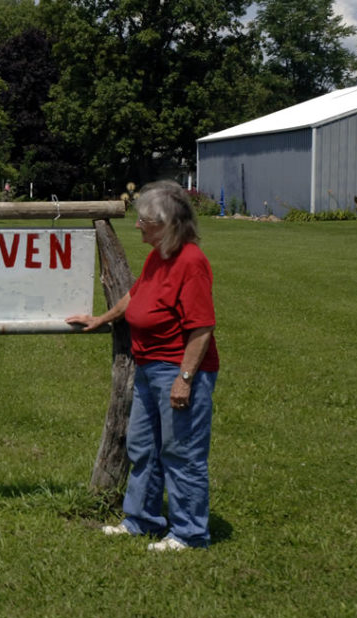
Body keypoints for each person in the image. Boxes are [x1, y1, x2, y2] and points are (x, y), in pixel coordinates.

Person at [67, 180, 219, 551]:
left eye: (145, 221)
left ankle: (189, 533)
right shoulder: (159, 256)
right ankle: (141, 520)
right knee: (143, 448)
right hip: (148, 367)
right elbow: (137, 295)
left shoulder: (191, 262)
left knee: (181, 452)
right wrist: (102, 318)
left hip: (177, 369)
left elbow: (202, 327)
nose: (138, 225)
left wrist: (185, 379)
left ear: (168, 224)